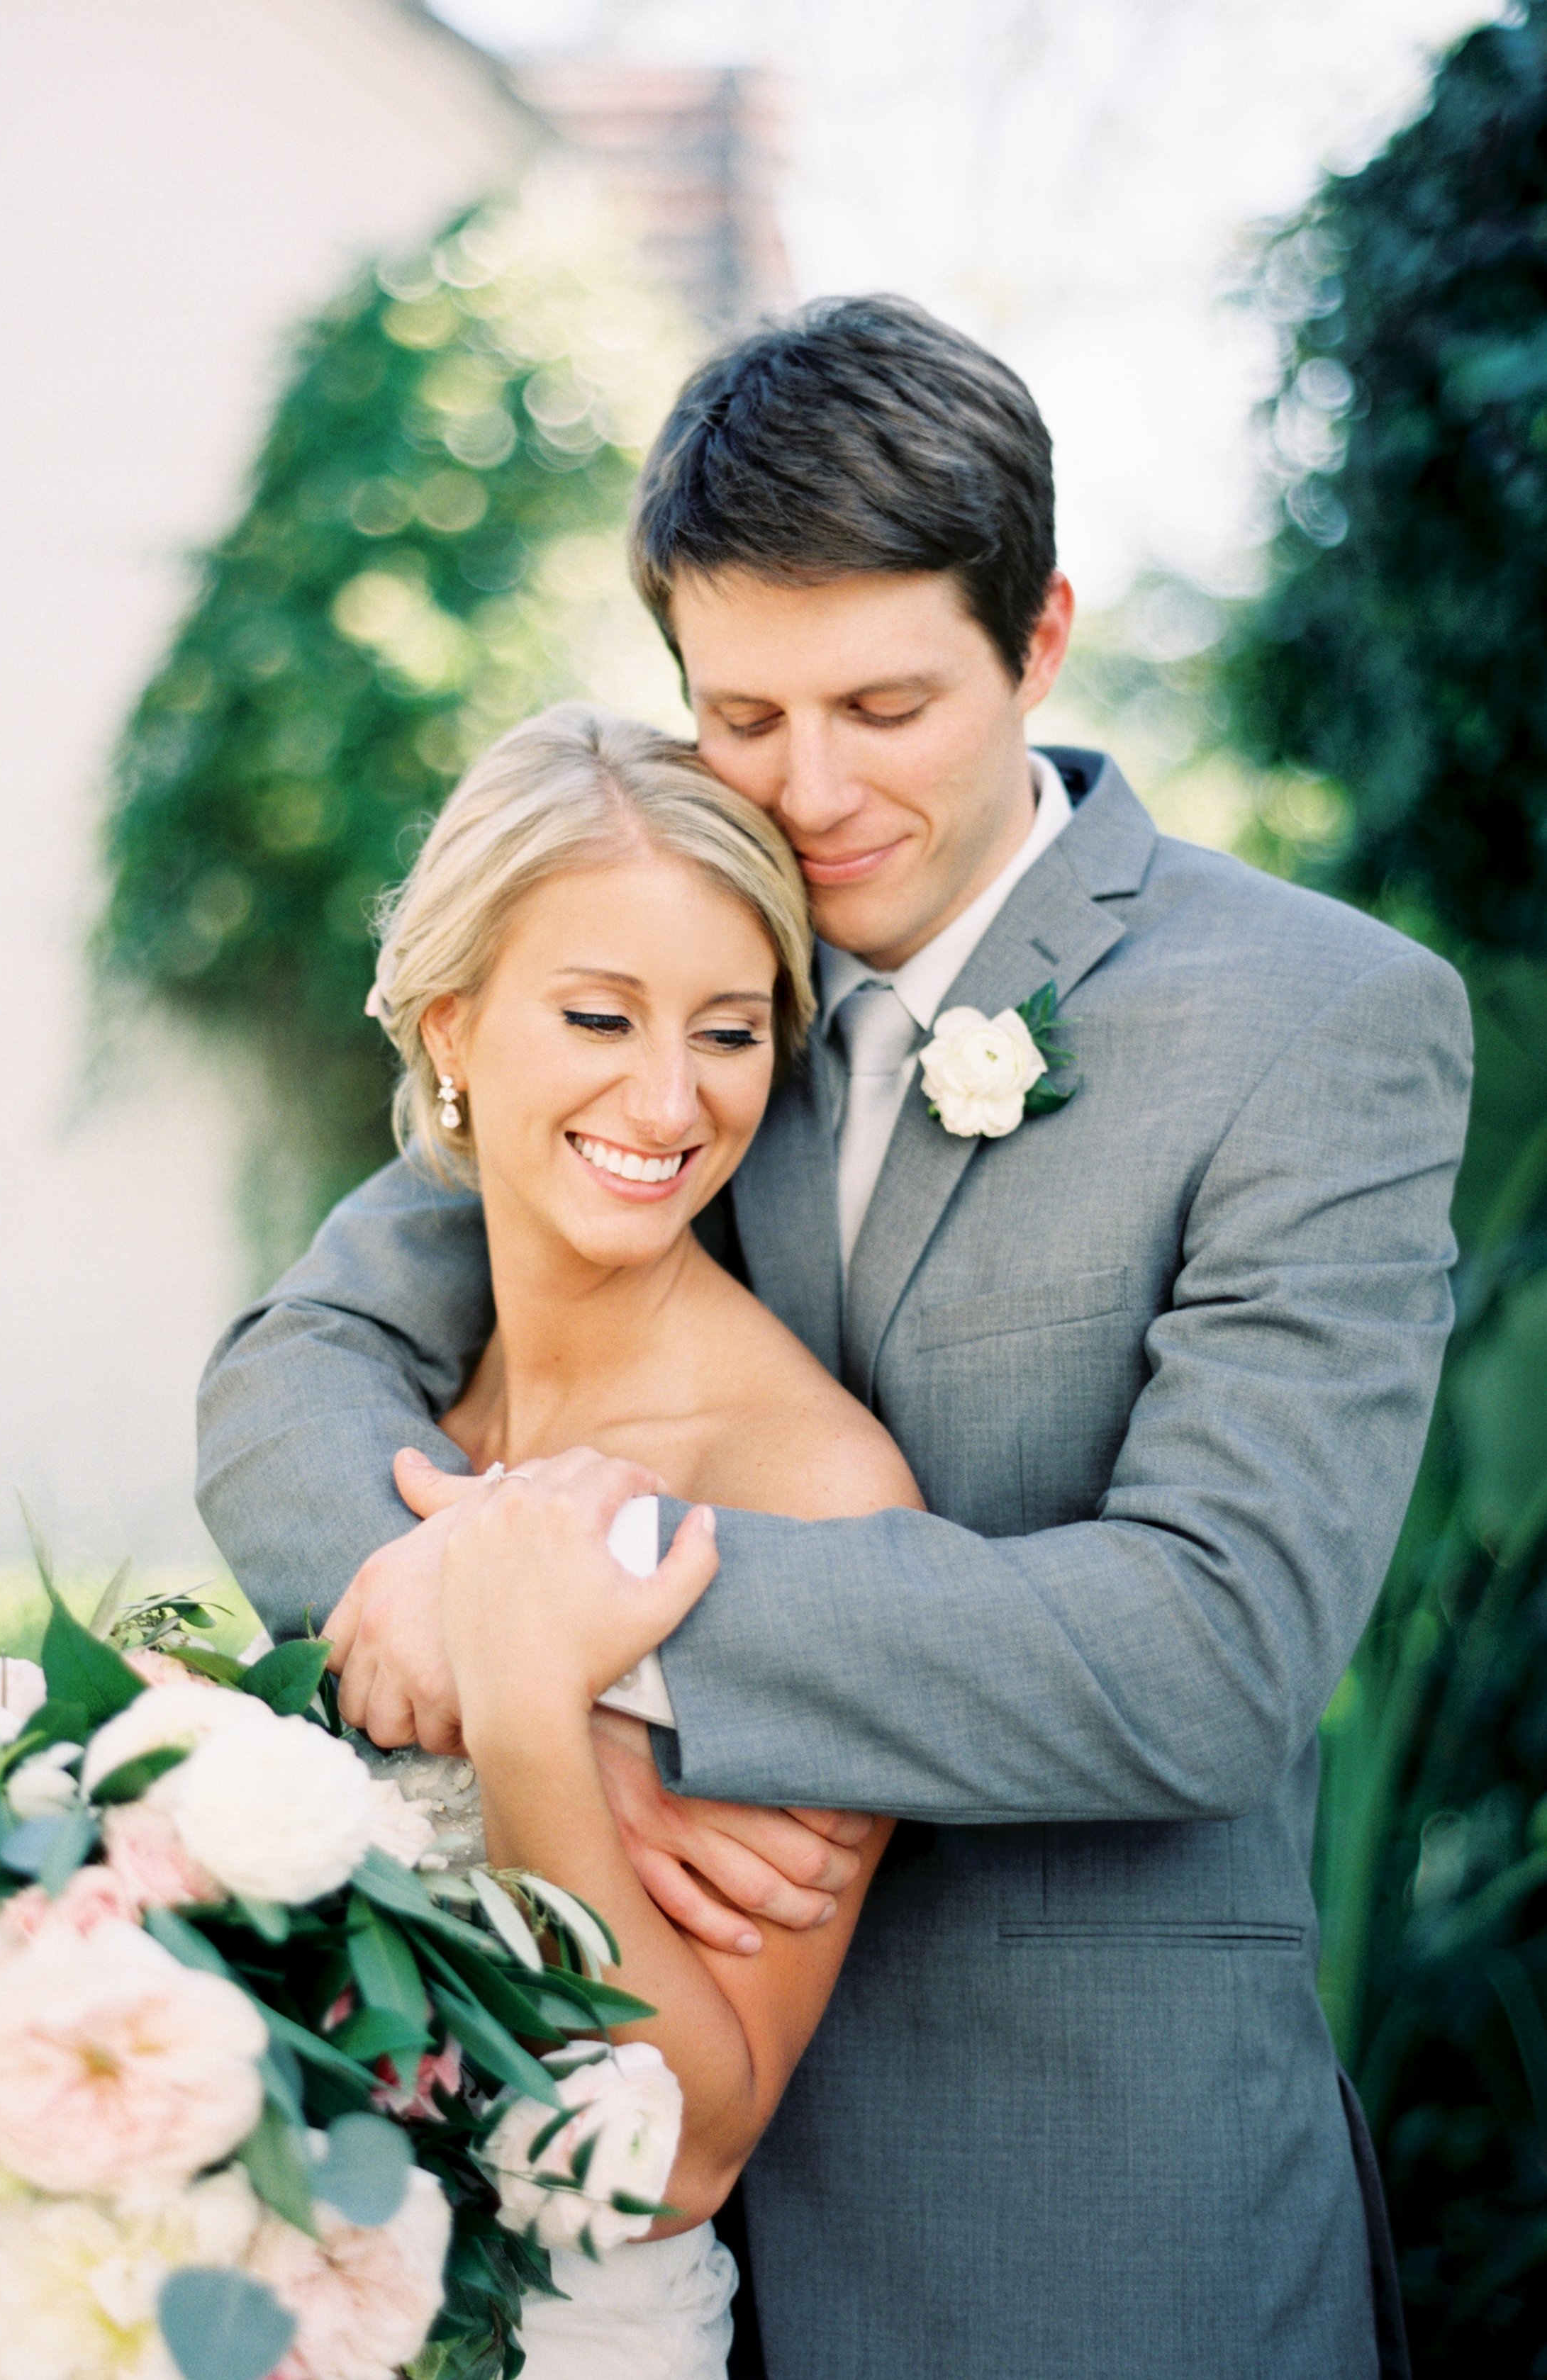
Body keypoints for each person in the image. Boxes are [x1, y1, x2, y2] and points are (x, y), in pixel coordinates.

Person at [196, 297, 1473, 2379]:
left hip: (1078, 2237)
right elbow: (294, 1370)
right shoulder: (684, 956)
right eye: (744, 712)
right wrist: (517, 1677)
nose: (810, 789)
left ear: (1038, 634)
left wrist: (602, 1634)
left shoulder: (1310, 1021)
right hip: (599, 2221)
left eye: (885, 705)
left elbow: (1215, 1646)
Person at [355, 702, 919, 2375]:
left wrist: (531, 1711)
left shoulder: (810, 1486)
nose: (667, 1100)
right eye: (598, 1014)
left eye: (728, 1031)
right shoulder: (395, 1412)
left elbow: (683, 2146)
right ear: (450, 1025)